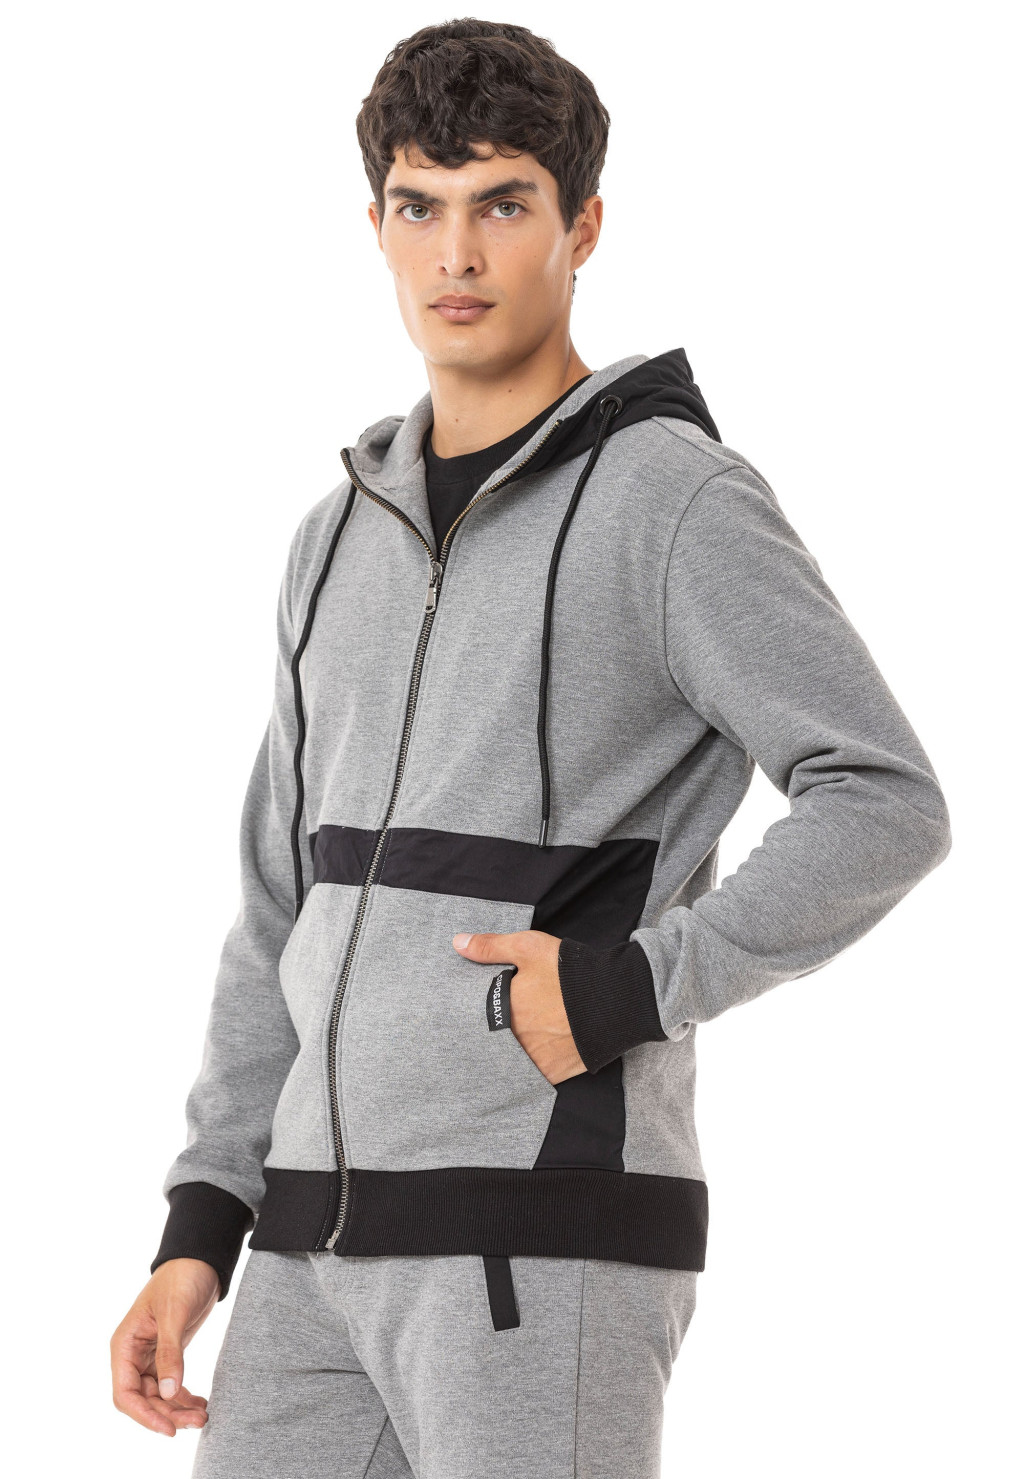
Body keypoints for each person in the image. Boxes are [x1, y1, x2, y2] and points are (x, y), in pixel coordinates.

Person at [109, 18, 953, 1478]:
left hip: (539, 1244)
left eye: (503, 203)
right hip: (307, 1253)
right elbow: (280, 906)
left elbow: (883, 797)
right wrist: (203, 1223)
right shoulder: (333, 536)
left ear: (583, 227)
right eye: (419, 207)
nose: (457, 254)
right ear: (375, 227)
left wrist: (636, 985)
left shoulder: (673, 502)